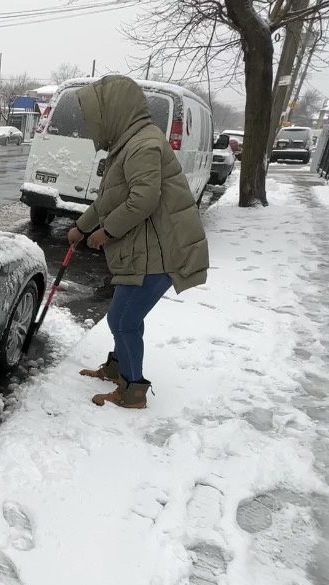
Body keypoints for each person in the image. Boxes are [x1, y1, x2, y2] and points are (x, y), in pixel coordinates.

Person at [66, 75, 209, 409]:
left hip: (161, 253)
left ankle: (132, 391)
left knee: (123, 319)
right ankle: (118, 369)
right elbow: (108, 200)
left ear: (114, 111)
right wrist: (80, 227)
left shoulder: (144, 145)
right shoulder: (129, 144)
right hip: (145, 250)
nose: (92, 126)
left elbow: (143, 199)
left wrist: (106, 232)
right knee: (125, 314)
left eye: (95, 117)